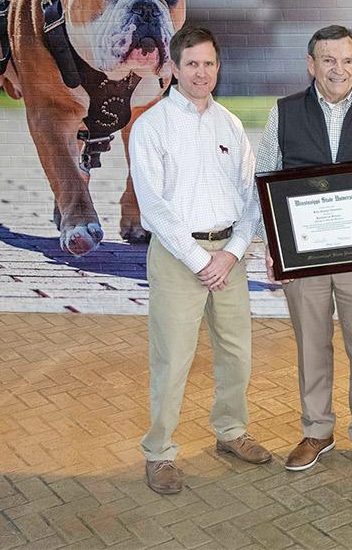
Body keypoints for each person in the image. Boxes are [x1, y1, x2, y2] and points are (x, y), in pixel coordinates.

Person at [256, 25, 352, 480]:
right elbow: (265, 175)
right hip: (303, 257)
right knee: (311, 344)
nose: (338, 69)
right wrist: (273, 244)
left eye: (347, 60)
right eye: (328, 60)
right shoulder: (283, 113)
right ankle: (317, 430)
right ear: (311, 64)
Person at [130, 27, 270, 495]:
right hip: (177, 257)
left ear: (218, 67)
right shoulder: (152, 126)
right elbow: (154, 207)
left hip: (228, 257)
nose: (202, 72)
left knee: (236, 353)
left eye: (209, 63)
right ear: (171, 68)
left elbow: (250, 197)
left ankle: (231, 431)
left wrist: (230, 254)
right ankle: (160, 452)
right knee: (172, 359)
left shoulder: (229, 125)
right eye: (192, 63)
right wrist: (198, 259)